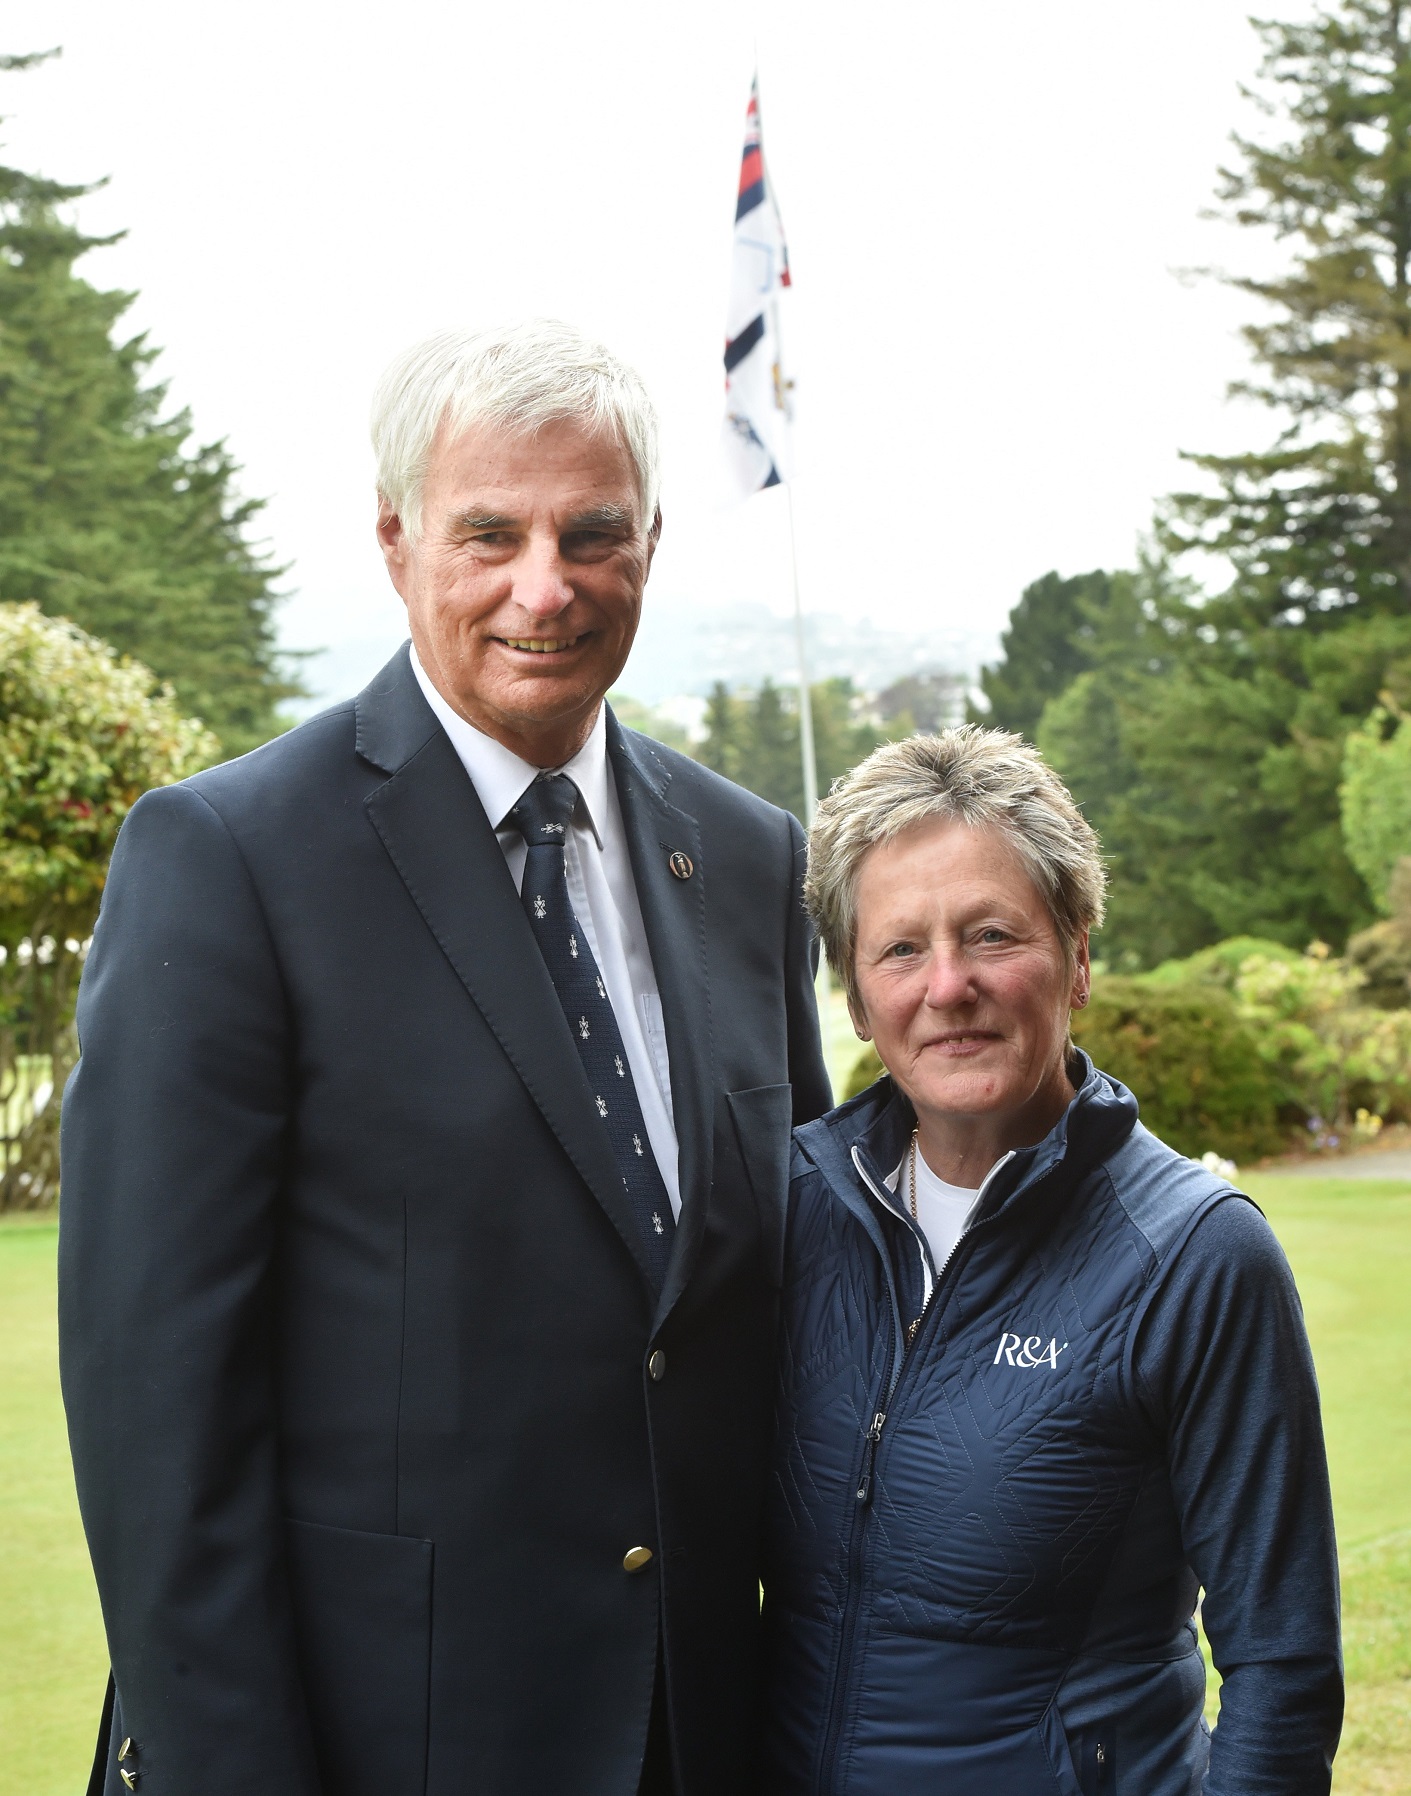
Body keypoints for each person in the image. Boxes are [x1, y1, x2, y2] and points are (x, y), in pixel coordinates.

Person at [59, 319, 831, 1796]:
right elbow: (160, 1414)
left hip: (701, 1740)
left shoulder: (741, 859)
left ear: (650, 542)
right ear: (397, 541)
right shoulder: (228, 862)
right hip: (375, 1746)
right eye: (490, 534)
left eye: (590, 531)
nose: (544, 586)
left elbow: (788, 1310)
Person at [761, 728, 1343, 1795]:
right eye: (899, 948)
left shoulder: (1197, 1253)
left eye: (991, 934)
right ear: (854, 994)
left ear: (1076, 958)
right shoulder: (788, 1212)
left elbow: (1282, 1661)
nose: (948, 985)